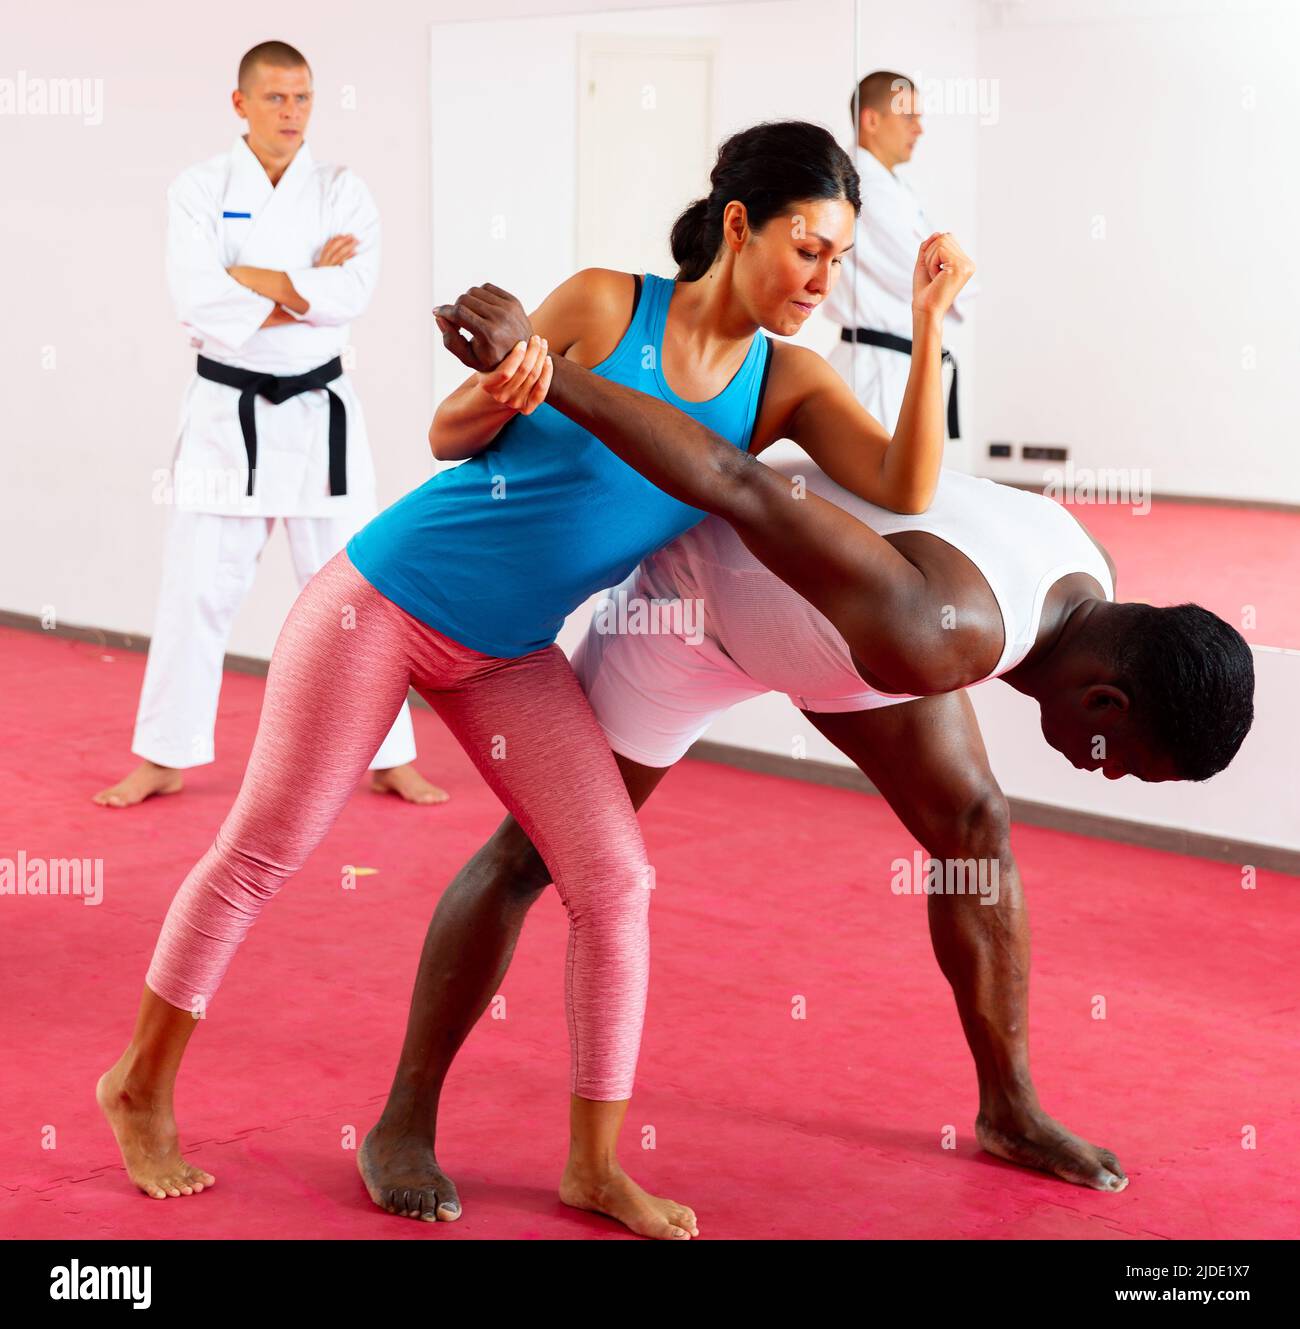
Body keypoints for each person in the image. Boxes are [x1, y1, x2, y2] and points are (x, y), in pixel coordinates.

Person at [95, 119, 975, 1241]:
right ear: (742, 225)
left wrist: (931, 319)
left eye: (839, 260)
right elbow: (448, 431)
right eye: (809, 248)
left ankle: (595, 1167)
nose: (822, 278)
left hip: (508, 656)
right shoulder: (611, 305)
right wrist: (517, 382)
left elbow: (903, 481)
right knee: (267, 848)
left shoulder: (783, 384)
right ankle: (136, 1083)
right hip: (384, 604)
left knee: (614, 883)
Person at [359, 284, 1255, 1223]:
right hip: (698, 613)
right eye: (1122, 758)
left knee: (975, 825)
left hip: (845, 637)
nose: (1104, 771)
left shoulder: (1084, 572)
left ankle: (1011, 1108)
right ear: (1105, 696)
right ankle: (402, 1124)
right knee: (530, 858)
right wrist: (549, 374)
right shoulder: (942, 634)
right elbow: (734, 480)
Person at [93, 40, 443, 810]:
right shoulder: (197, 188)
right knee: (194, 592)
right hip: (228, 416)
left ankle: (389, 755)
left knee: (364, 593)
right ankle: (164, 754)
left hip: (320, 417)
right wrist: (303, 284)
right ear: (240, 104)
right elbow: (196, 299)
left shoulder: (343, 190)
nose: (292, 113)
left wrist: (252, 279)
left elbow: (351, 294)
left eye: (303, 98)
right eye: (276, 98)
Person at [823, 71, 975, 437]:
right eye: (909, 118)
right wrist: (958, 274)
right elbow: (934, 273)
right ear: (871, 120)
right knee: (875, 488)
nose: (919, 130)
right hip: (874, 370)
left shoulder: (889, 184)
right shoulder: (865, 185)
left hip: (888, 363)